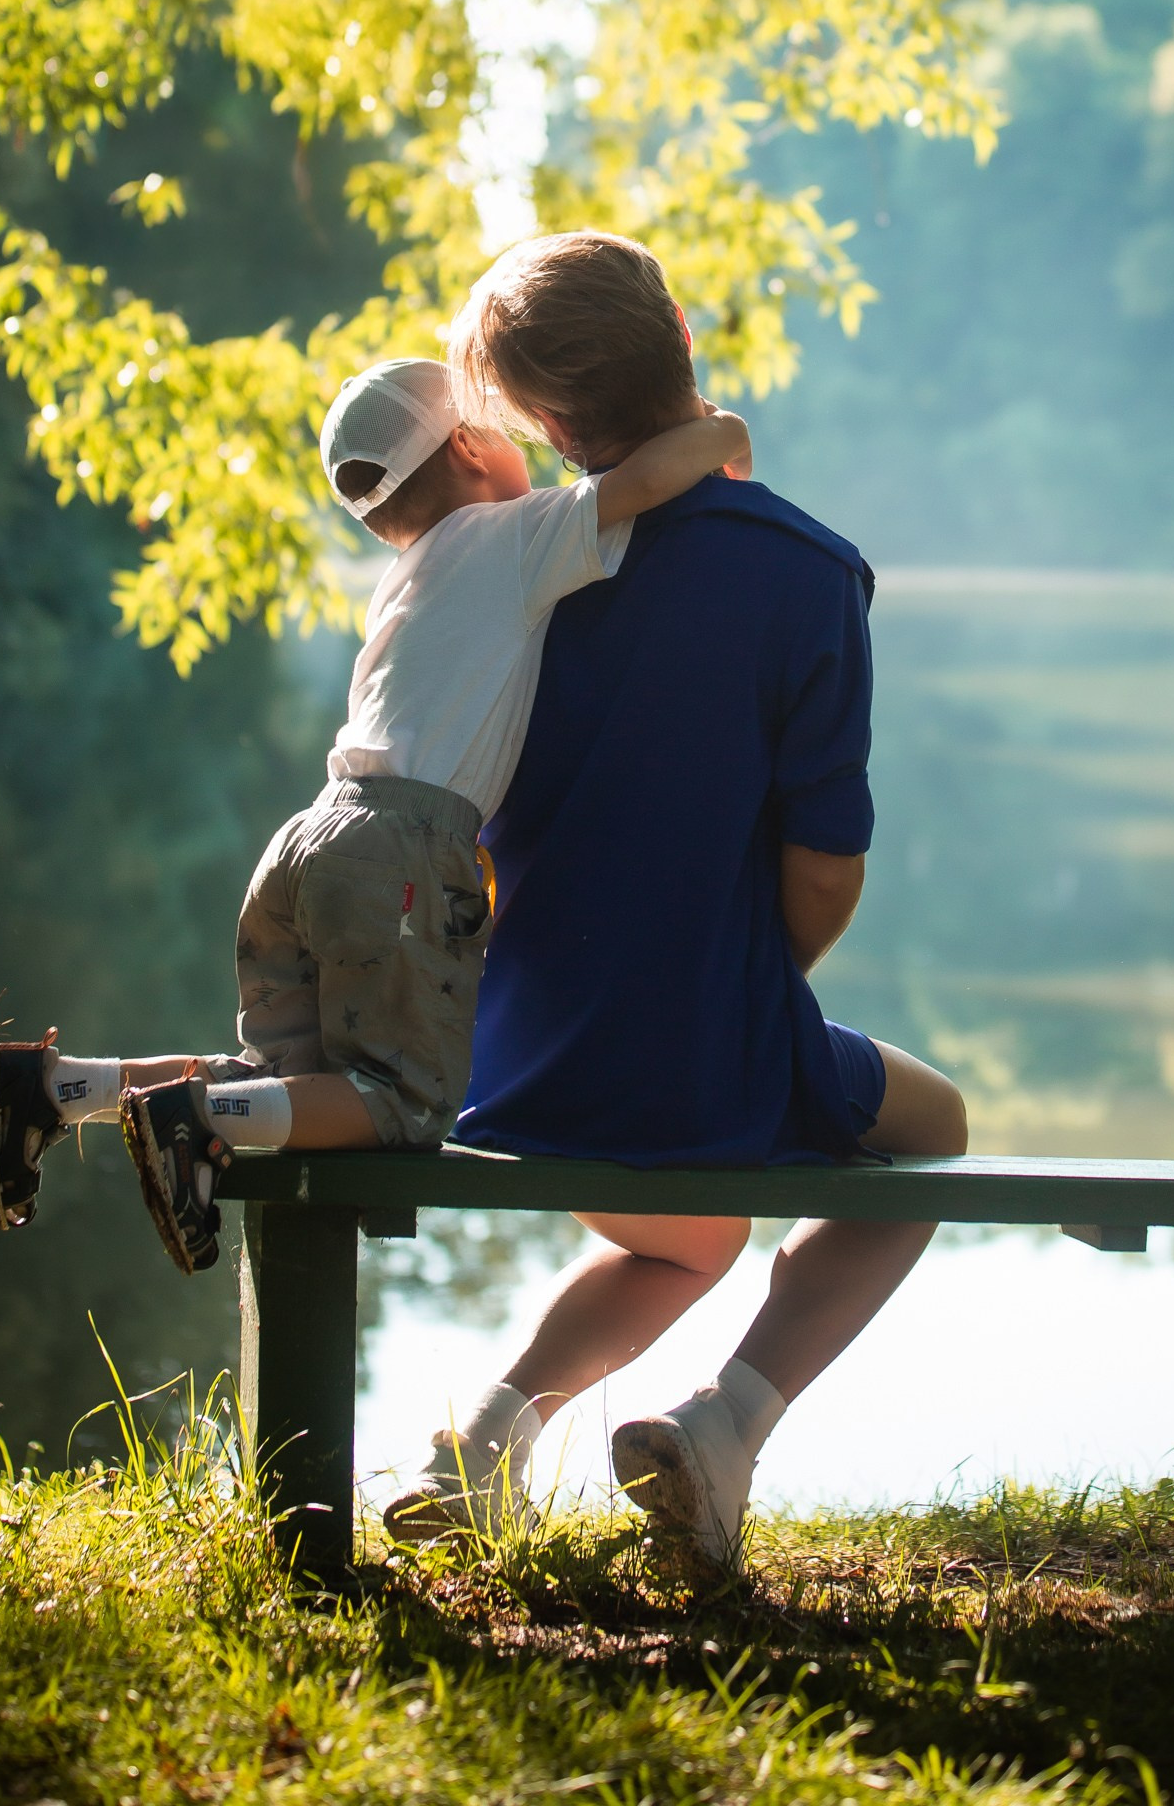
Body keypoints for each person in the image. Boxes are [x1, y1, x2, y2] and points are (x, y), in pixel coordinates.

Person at [385, 231, 967, 1568]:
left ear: (538, 417)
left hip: (508, 1060)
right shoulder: (806, 572)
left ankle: (484, 1440)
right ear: (683, 334)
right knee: (933, 1132)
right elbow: (822, 871)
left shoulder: (498, 570)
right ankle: (725, 1422)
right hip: (689, 1057)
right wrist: (747, 982)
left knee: (691, 1234)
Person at [0, 355, 749, 1273]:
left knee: (292, 1088)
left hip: (313, 836)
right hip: (402, 851)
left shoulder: (409, 572)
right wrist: (724, 433)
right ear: (467, 443)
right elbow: (648, 482)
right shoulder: (510, 536)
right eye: (504, 424)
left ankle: (55, 1087)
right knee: (402, 1106)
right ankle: (193, 1119)